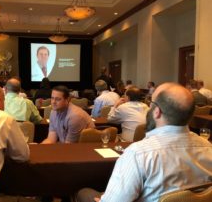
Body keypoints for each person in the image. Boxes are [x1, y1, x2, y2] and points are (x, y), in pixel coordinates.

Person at [77, 82, 212, 202]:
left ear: (157, 112)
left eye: (151, 104)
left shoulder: (138, 154)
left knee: (84, 192)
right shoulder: (208, 147)